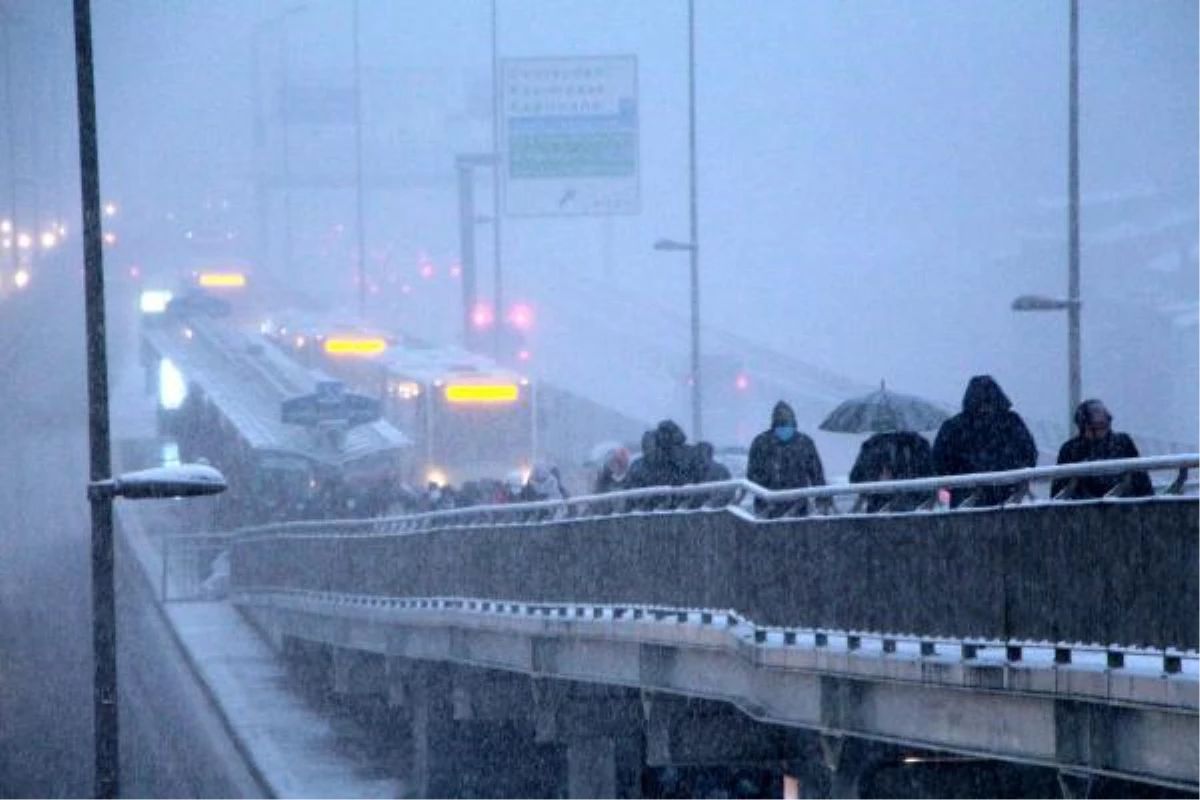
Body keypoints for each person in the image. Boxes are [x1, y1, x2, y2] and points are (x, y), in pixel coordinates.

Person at [932, 375, 1038, 507]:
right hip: (1010, 499)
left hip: (968, 502)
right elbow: (1029, 456)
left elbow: (940, 464)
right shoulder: (1012, 423)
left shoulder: (954, 427)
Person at [1051, 399, 1153, 500]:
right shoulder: (1070, 450)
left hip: (1123, 509)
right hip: (1083, 511)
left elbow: (1142, 483)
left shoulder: (1123, 443)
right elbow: (1059, 493)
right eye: (1094, 428)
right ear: (1082, 427)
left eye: (1103, 426)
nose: (1101, 432)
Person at [747, 401, 826, 518]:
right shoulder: (761, 443)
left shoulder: (804, 443)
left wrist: (823, 499)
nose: (783, 427)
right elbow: (752, 476)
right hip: (769, 507)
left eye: (786, 423)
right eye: (780, 423)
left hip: (796, 507)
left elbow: (816, 474)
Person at [849, 430, 934, 513]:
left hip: (884, 510)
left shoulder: (873, 445)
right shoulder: (919, 444)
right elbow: (856, 478)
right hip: (909, 511)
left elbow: (856, 479)